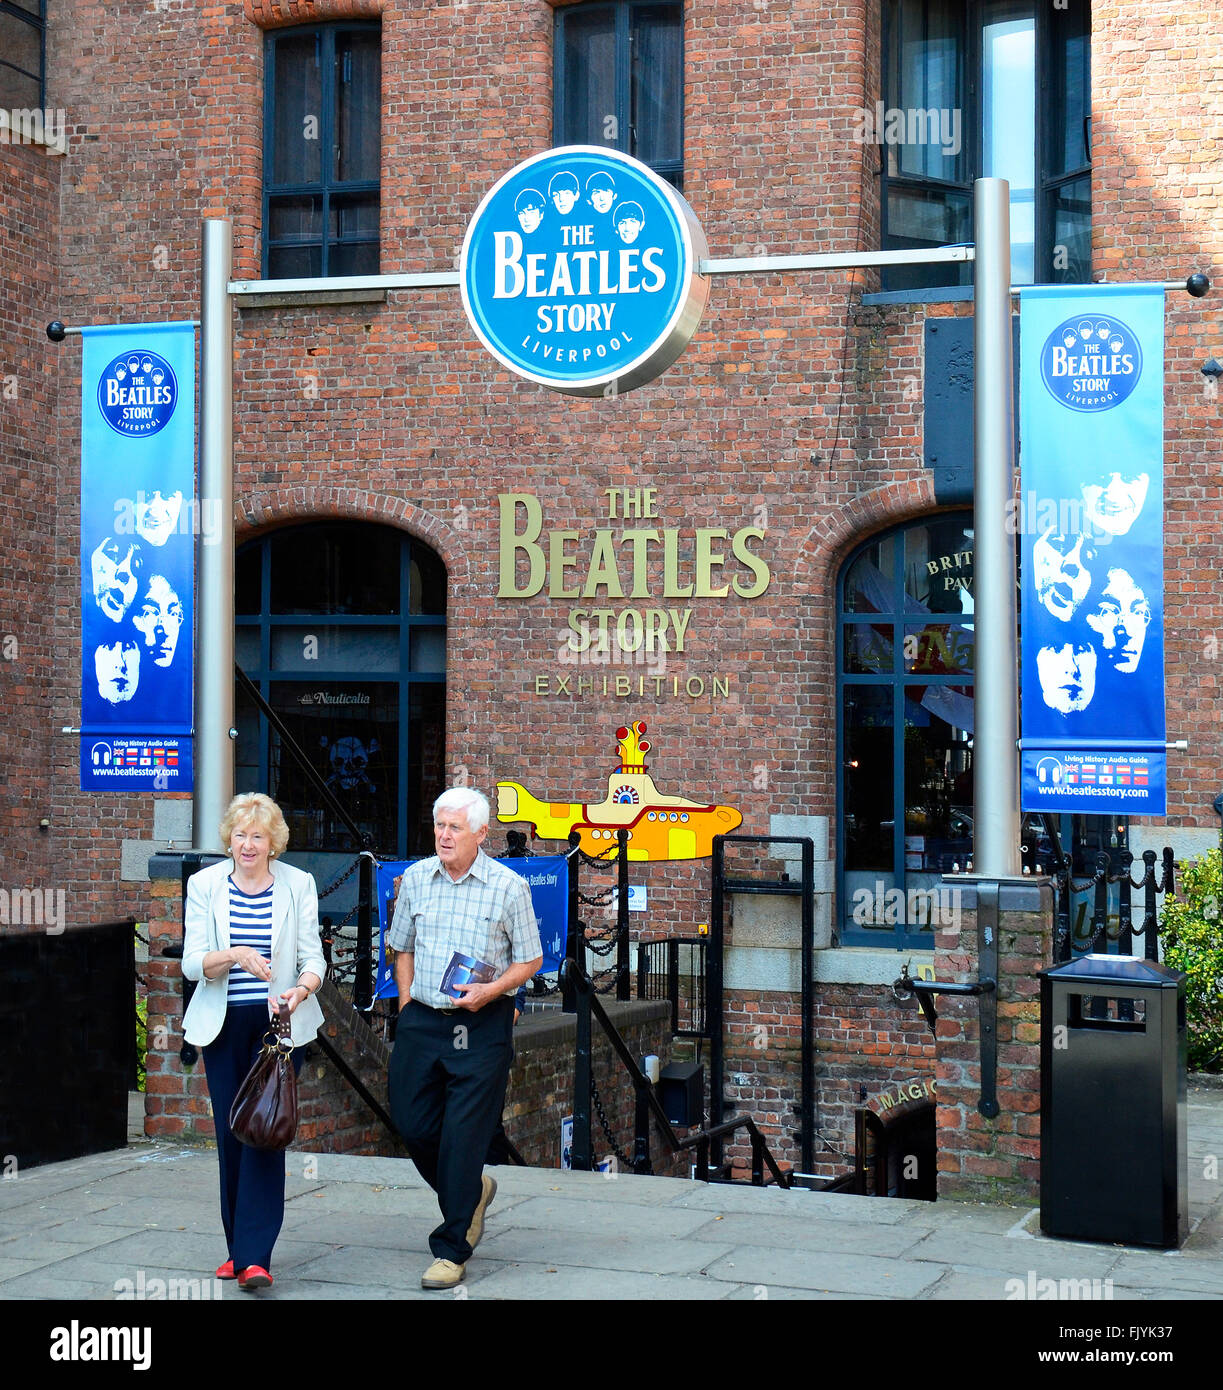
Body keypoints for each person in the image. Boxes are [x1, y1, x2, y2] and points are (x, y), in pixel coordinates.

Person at [387, 786, 542, 1290]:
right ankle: (472, 1191)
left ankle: (451, 1248)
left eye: (455, 827)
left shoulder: (508, 887)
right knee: (412, 1123)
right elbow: (401, 946)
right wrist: (408, 1003)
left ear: (480, 833)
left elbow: (531, 959)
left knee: (463, 1137)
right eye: (439, 826)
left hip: (481, 1024)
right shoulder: (415, 879)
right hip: (423, 1022)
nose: (444, 835)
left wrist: (491, 991)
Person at [181, 793, 326, 1293]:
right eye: (240, 835)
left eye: (257, 836)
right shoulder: (204, 885)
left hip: (279, 1028)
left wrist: (298, 991)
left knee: (266, 1130)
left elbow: (314, 961)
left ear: (273, 843)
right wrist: (236, 954)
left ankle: (256, 1257)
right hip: (223, 1025)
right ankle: (237, 1249)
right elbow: (191, 962)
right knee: (231, 1135)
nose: (247, 844)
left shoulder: (298, 884)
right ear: (230, 839)